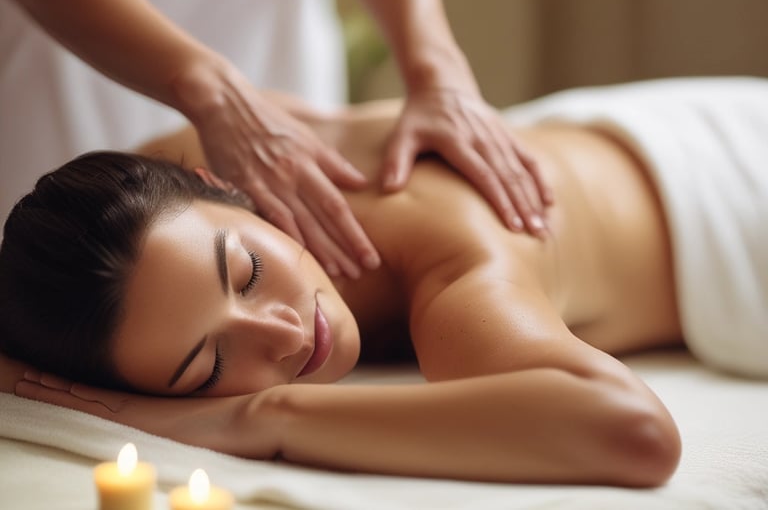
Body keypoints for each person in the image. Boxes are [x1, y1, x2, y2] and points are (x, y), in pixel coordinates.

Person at [2, 77, 767, 487]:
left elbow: (634, 433)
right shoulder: (173, 171)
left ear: (223, 185)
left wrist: (259, 417)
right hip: (657, 124)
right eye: (209, 366)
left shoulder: (455, 267)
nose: (283, 333)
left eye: (250, 272)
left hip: (737, 194)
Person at [0, 0, 551, 279]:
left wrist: (438, 69)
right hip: (69, 56)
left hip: (264, 44)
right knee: (83, 292)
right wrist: (212, 93)